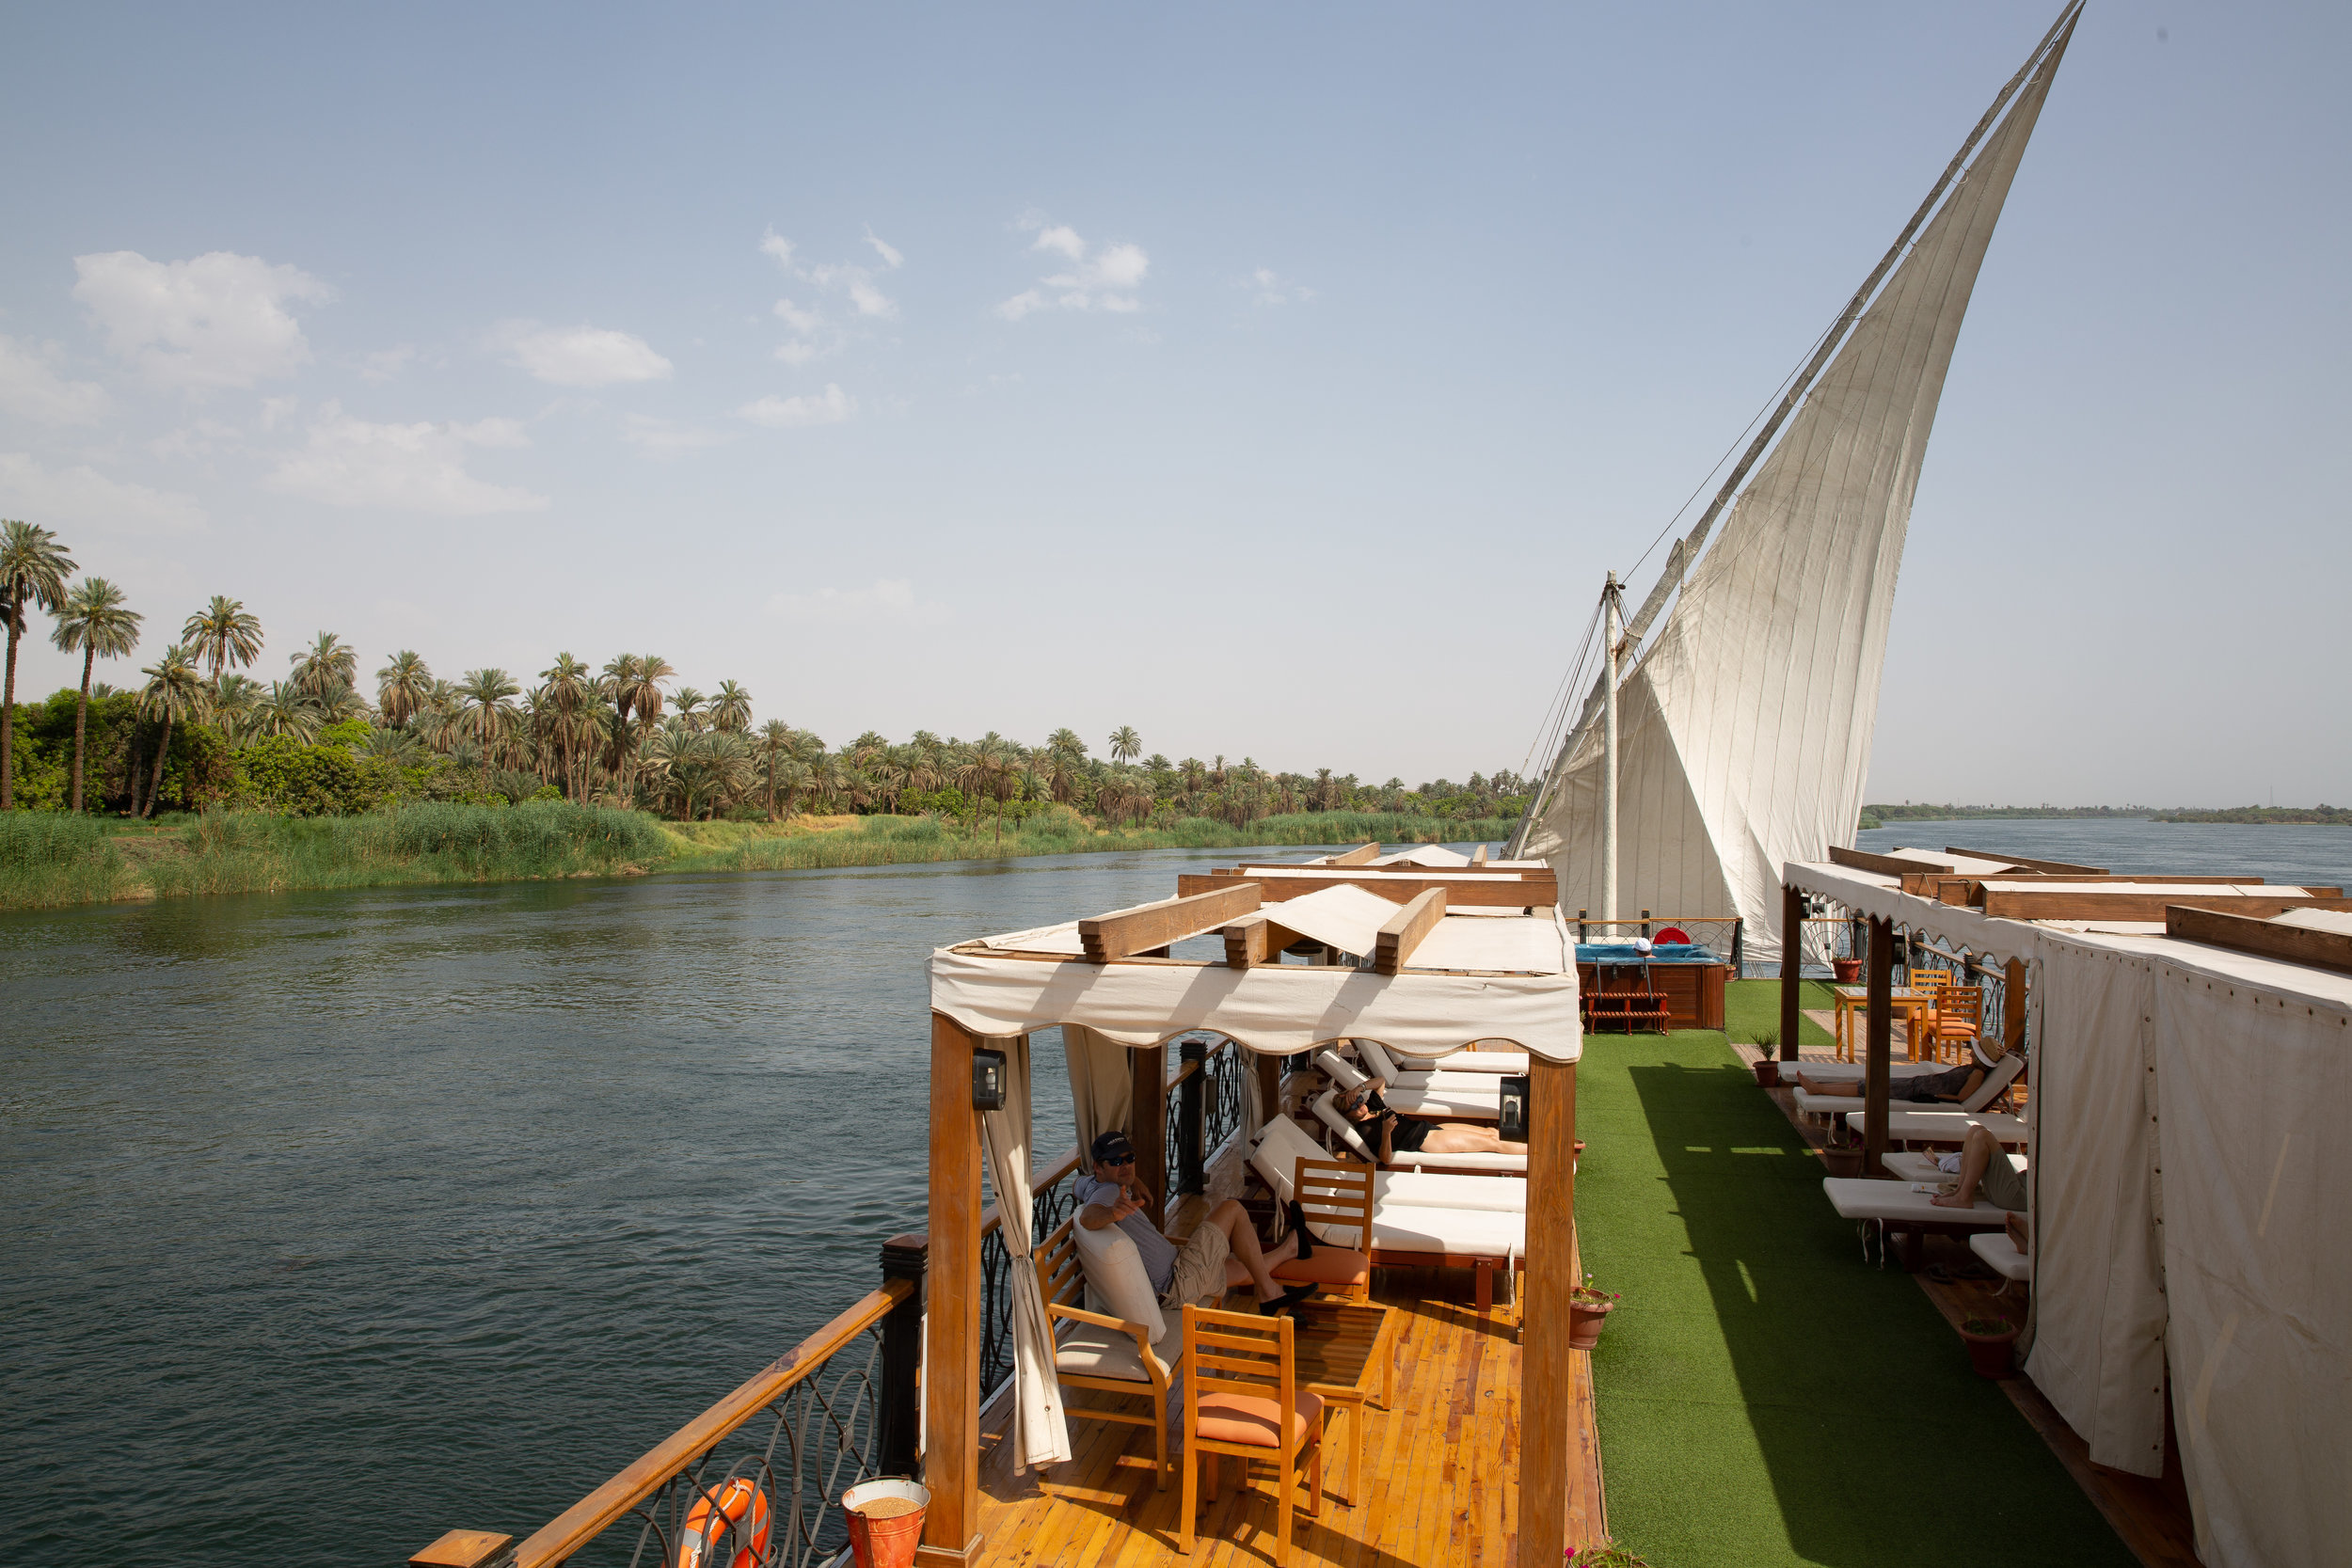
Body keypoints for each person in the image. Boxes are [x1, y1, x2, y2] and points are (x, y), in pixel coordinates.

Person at [1073, 1130, 1316, 1313]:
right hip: (1176, 1282)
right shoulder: (1107, 1196)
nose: (1125, 1165)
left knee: (1242, 1269)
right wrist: (1113, 1214)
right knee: (1233, 1208)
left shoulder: (1093, 1184)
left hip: (1176, 1273)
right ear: (1098, 1167)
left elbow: (1078, 1184)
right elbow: (1088, 1217)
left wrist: (1132, 1181)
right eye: (1116, 1162)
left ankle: (1290, 1249)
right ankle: (1270, 1293)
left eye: (1129, 1158)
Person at [1334, 1077, 1526, 1164]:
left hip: (1429, 1128)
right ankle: (1538, 1152)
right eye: (1354, 1107)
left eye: (1359, 1100)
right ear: (1348, 1116)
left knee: (1491, 1132)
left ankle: (1529, 1141)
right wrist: (1386, 1132)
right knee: (1491, 1142)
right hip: (1425, 1141)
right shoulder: (1365, 1129)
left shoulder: (1373, 1107)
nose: (1360, 1105)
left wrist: (1358, 1088)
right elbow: (1385, 1159)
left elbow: (1380, 1081)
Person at [1930, 1123, 2028, 1212]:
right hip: (2021, 1182)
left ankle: (1964, 1198)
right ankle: (1960, 1191)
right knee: (1975, 1129)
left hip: (2022, 1196)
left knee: (1983, 1137)